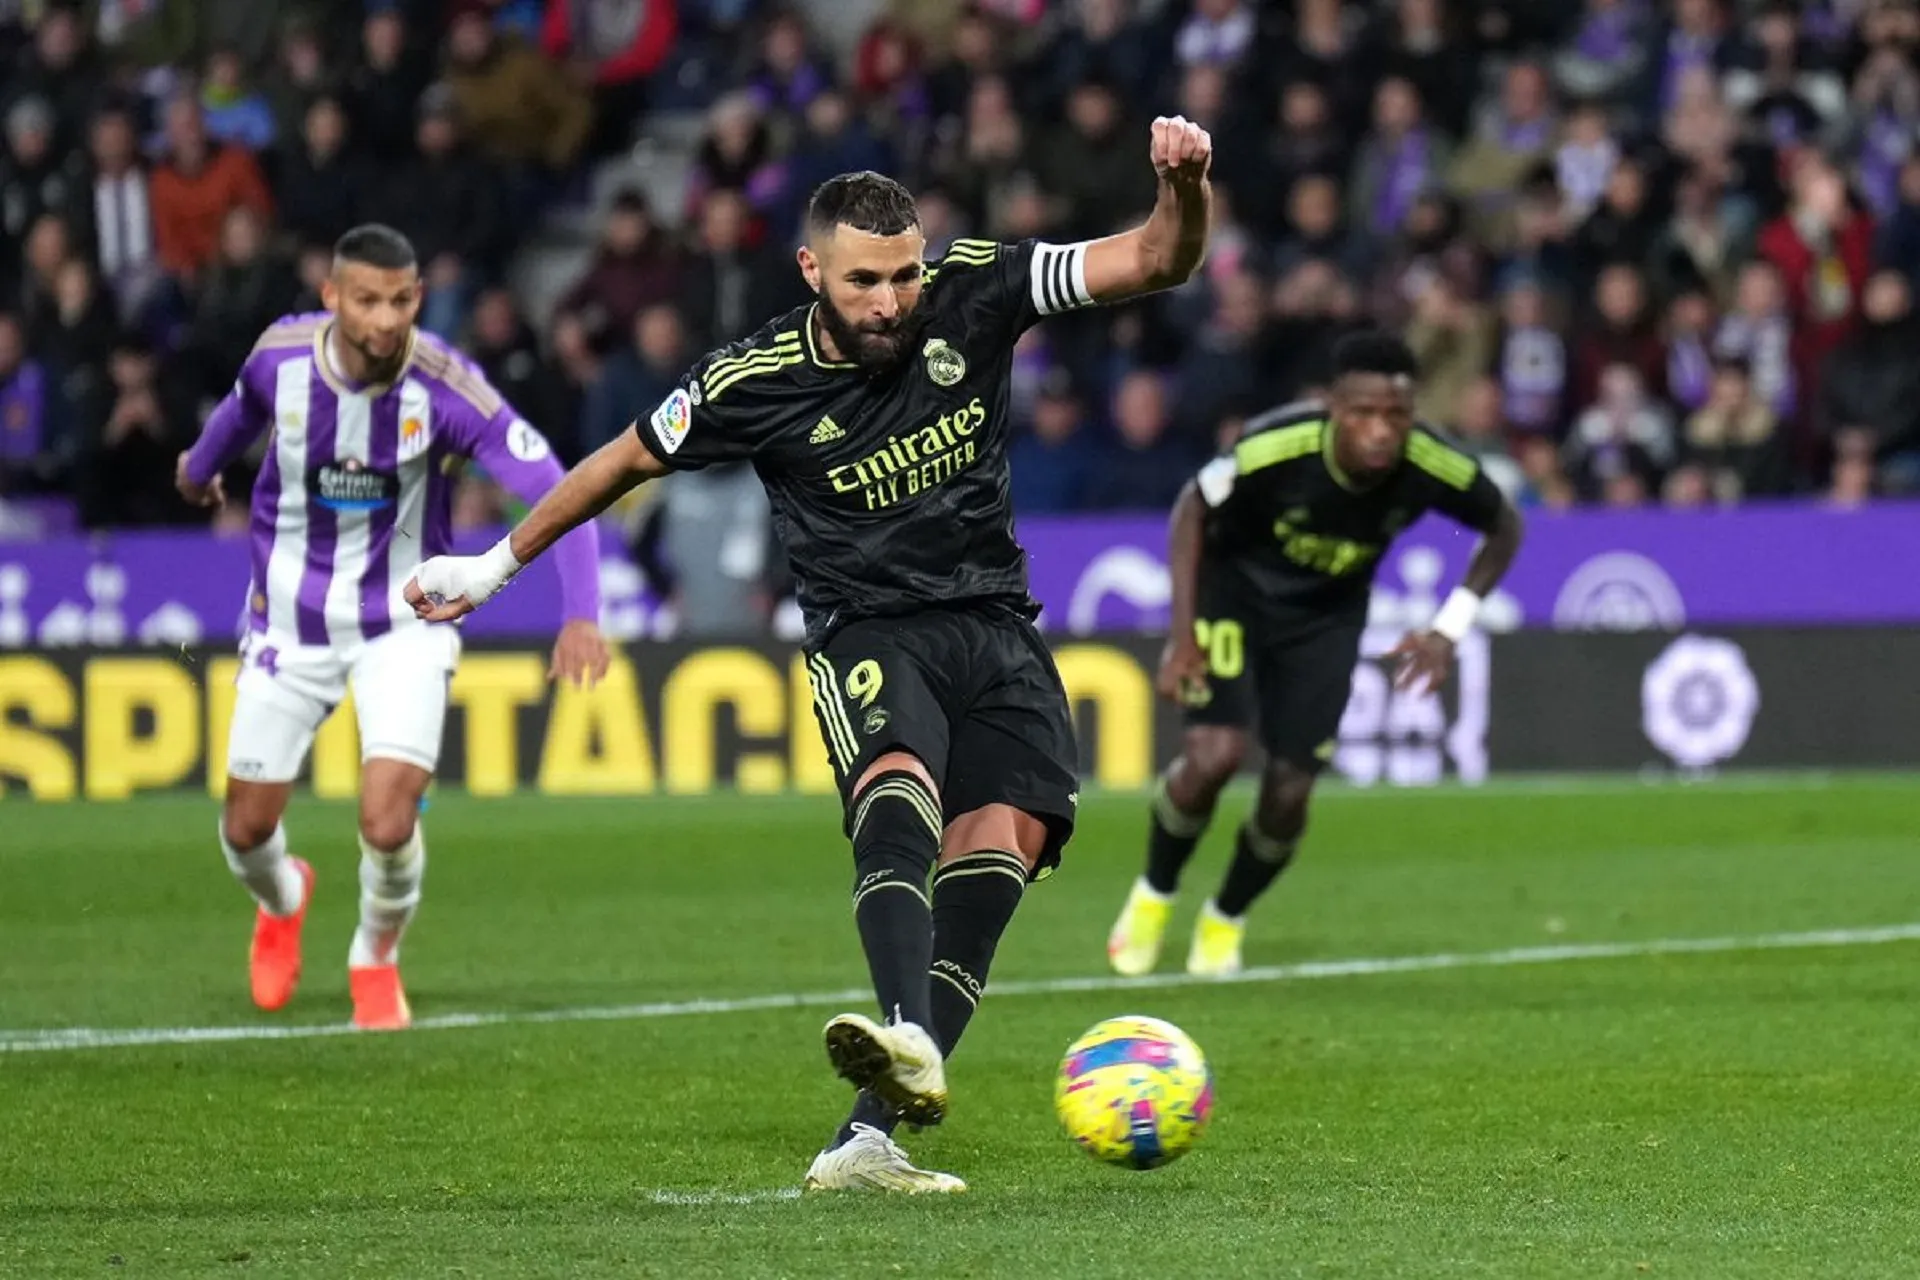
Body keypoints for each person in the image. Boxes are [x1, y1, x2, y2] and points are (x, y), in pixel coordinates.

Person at [402, 119, 1215, 1192]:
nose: (891, 300)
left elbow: (1158, 257)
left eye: (904, 274)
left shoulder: (978, 286)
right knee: (898, 786)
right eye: (867, 279)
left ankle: (866, 1136)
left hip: (998, 624)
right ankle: (903, 1025)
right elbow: (624, 460)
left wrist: (1184, 187)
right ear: (812, 270)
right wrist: (494, 566)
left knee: (1000, 851)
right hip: (868, 627)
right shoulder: (752, 378)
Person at [174, 224, 609, 1032]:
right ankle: (287, 896)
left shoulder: (447, 386)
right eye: (366, 300)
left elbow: (561, 489)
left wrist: (580, 609)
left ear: (417, 297)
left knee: (386, 816)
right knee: (245, 829)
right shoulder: (281, 359)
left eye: (400, 300)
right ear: (333, 297)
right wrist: (198, 469)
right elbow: (236, 418)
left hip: (405, 619)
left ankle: (375, 955)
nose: (384, 319)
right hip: (291, 619)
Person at [1106, 332, 1524, 978]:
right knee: (1213, 756)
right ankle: (1154, 894)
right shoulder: (1277, 445)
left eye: (1396, 416)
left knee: (1289, 794)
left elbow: (1505, 525)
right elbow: (1192, 507)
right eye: (1364, 413)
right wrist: (1182, 635)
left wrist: (1448, 628)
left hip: (1325, 621)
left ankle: (1226, 916)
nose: (1381, 431)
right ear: (1333, 407)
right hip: (1235, 596)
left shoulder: (1433, 464)